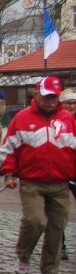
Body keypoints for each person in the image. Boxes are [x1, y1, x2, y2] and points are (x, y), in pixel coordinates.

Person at [0, 76, 76, 274]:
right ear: (37, 95)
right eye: (46, 97)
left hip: (60, 183)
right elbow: (8, 149)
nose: (50, 101)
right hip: (32, 182)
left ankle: (50, 272)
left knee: (56, 228)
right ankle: (23, 256)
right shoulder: (23, 118)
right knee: (35, 221)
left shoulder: (68, 120)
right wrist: (8, 173)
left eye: (54, 97)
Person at [60, 88, 76, 260]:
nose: (72, 106)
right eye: (68, 103)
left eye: (74, 103)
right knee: (58, 211)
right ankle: (59, 243)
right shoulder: (55, 121)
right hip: (59, 171)